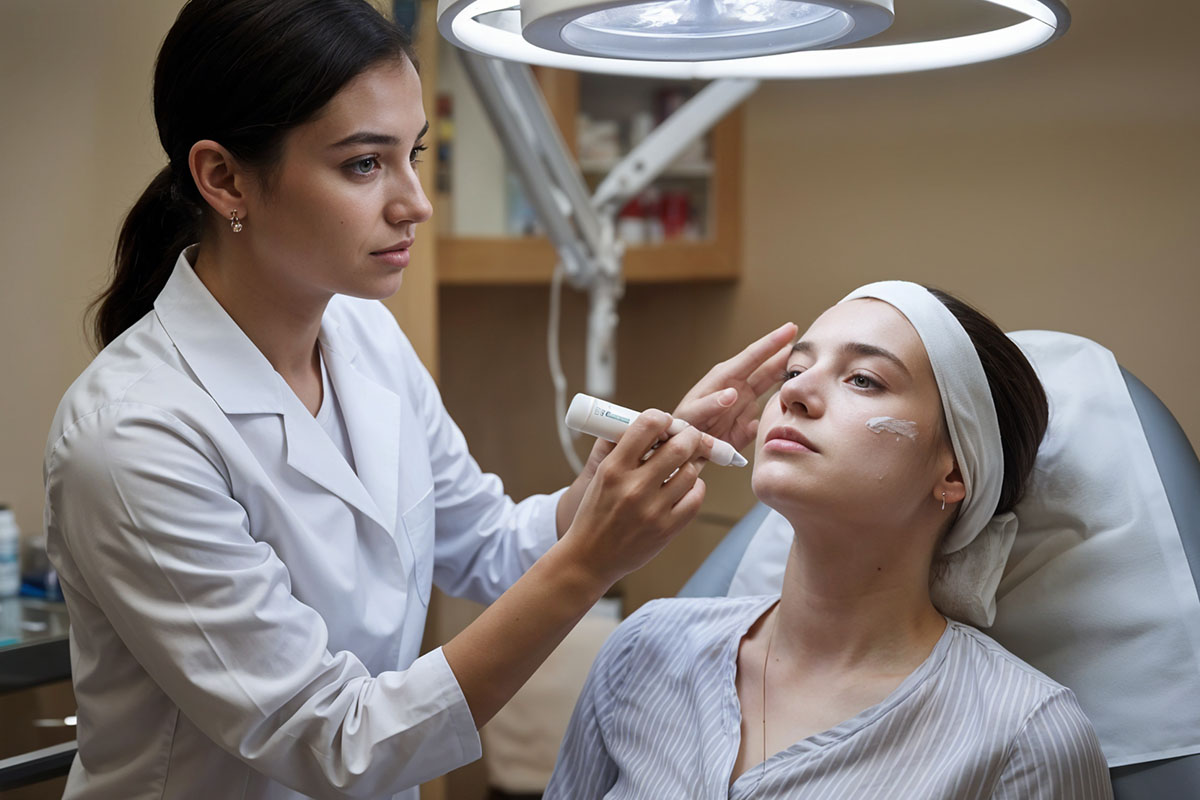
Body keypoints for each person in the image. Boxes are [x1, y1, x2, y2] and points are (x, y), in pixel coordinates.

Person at [42, 1, 798, 797]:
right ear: (224, 178)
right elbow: (337, 742)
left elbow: (490, 545)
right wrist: (592, 560)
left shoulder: (365, 333)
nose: (415, 202)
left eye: (415, 154)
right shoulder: (132, 437)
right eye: (364, 164)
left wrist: (632, 473)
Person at [545, 282, 1115, 799]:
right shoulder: (644, 648)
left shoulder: (1026, 736)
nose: (794, 393)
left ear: (954, 472)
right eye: (794, 370)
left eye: (863, 379)